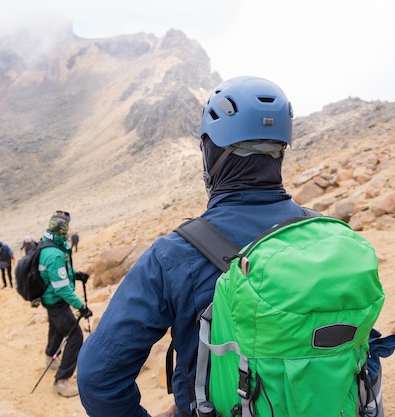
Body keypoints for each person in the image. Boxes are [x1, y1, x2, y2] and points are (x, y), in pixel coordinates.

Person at [76, 76, 311, 417]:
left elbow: (99, 378)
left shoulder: (173, 256)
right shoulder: (326, 236)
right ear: (280, 151)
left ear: (209, 153)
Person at [39, 210, 93, 397]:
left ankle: (50, 357)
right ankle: (61, 381)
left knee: (56, 327)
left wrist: (76, 275)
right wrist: (81, 307)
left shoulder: (51, 244)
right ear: (63, 230)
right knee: (75, 336)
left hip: (51, 299)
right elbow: (61, 288)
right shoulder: (53, 253)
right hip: (56, 300)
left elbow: (59, 272)